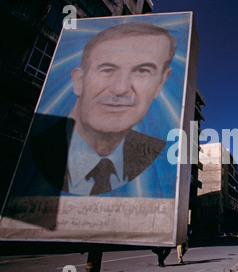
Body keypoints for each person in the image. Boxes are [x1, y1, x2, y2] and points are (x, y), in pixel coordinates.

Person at [29, 22, 177, 196]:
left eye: (142, 71)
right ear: (79, 80)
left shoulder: (156, 161)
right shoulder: (36, 149)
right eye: (107, 69)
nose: (121, 88)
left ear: (160, 83)